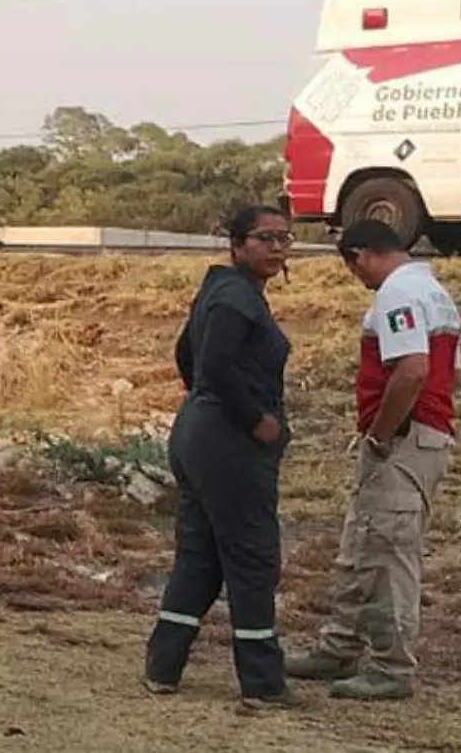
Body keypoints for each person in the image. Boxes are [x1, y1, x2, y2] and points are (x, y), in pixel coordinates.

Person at [287, 218, 460, 701]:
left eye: (353, 268)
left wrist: (381, 435)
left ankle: (390, 666)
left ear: (360, 256)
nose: (357, 279)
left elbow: (411, 371)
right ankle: (340, 645)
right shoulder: (433, 291)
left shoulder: (396, 295)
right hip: (423, 437)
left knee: (386, 554)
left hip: (402, 440)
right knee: (362, 544)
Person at [144, 204, 296, 710]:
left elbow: (184, 353)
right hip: (229, 441)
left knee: (200, 554)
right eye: (264, 238)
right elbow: (212, 362)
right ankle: (262, 682)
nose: (276, 248)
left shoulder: (219, 290)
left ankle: (163, 666)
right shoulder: (236, 298)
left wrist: (204, 403)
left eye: (284, 238)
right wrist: (256, 418)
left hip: (197, 431)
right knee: (252, 557)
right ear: (236, 245)